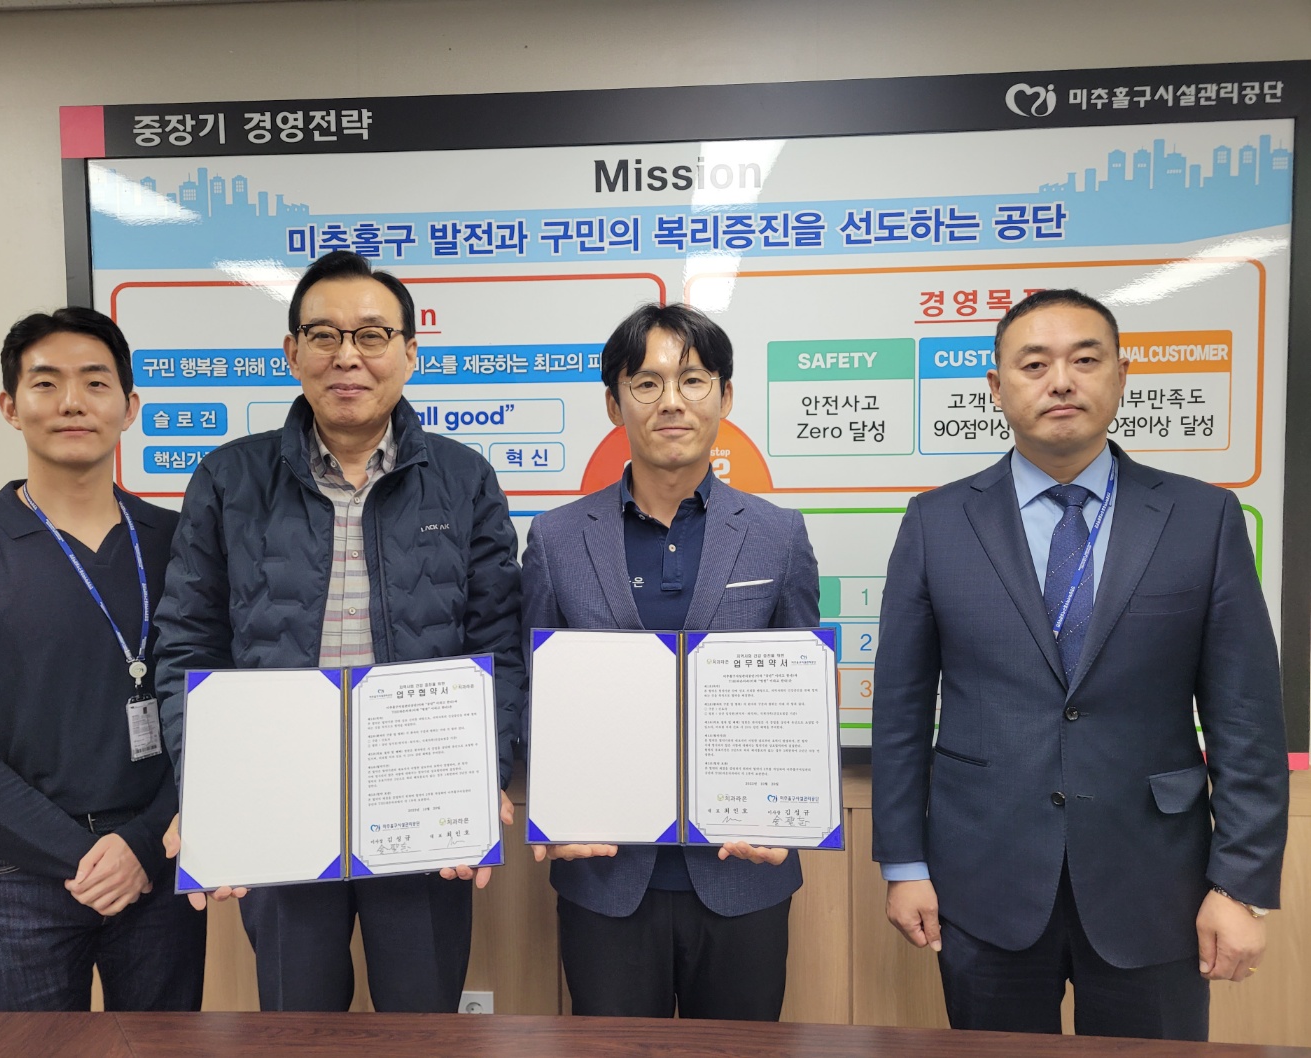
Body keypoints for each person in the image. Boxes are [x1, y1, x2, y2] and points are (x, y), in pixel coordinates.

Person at [871, 289, 1289, 1040]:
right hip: (983, 878)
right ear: (996, 387)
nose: (1060, 381)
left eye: (1085, 360)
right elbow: (899, 711)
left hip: (1155, 883)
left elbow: (1247, 721)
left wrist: (1240, 885)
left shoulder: (1202, 518)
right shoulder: (936, 522)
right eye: (1034, 364)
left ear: (1122, 377)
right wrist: (903, 865)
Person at [154, 250, 523, 1012]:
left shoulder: (464, 480)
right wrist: (209, 789)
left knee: (422, 1022)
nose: (347, 356)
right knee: (296, 1021)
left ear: (410, 353)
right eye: (323, 335)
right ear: (292, 353)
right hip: (278, 798)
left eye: (372, 335)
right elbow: (189, 647)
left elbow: (497, 645)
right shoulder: (228, 480)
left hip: (421, 802)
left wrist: (480, 774)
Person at [0, 308, 205, 1011]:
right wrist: (82, 857)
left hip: (159, 860)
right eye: (45, 383)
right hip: (15, 874)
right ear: (10, 407)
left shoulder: (182, 543)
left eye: (95, 382)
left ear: (129, 407)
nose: (72, 402)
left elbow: (214, 707)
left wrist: (141, 845)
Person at [521, 303, 820, 1020]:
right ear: (614, 403)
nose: (672, 402)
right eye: (647, 383)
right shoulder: (557, 538)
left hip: (743, 874)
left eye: (692, 380)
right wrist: (552, 806)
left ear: (725, 396)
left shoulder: (777, 535)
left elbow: (803, 699)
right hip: (606, 877)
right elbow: (536, 693)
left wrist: (792, 811)